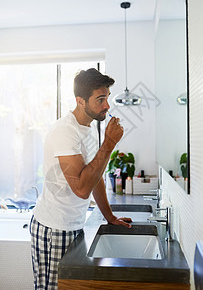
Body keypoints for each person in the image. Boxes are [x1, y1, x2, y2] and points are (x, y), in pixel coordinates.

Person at [30, 68, 132, 289]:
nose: (107, 105)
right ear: (80, 101)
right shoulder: (65, 132)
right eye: (101, 99)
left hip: (74, 225)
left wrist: (110, 216)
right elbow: (82, 189)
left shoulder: (88, 129)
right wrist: (109, 144)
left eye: (107, 98)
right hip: (54, 229)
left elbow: (95, 177)